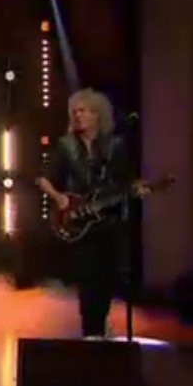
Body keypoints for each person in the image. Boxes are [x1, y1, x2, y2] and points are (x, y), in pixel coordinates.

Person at [36, 88, 147, 338]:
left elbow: (127, 181)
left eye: (83, 111)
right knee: (86, 279)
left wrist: (136, 189)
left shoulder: (115, 146)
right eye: (74, 112)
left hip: (108, 223)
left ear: (98, 115)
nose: (77, 116)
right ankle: (91, 332)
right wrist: (60, 198)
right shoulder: (66, 147)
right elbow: (43, 178)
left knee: (106, 279)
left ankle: (100, 328)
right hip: (80, 224)